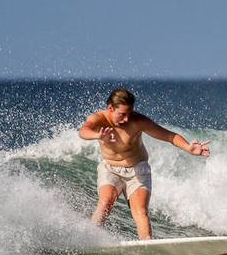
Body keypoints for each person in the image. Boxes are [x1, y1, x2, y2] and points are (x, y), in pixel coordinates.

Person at [79, 88, 209, 239]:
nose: (127, 119)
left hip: (137, 171)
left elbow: (169, 135)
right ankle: (89, 240)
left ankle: (147, 249)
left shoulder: (138, 121)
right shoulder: (98, 119)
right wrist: (97, 135)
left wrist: (188, 147)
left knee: (140, 212)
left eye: (129, 113)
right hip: (110, 169)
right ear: (110, 108)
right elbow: (83, 131)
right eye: (122, 114)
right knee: (105, 204)